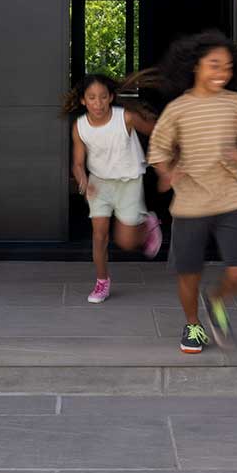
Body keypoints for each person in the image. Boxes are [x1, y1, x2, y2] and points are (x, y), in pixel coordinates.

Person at [144, 31, 237, 353]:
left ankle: (217, 299)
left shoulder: (235, 104)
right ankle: (193, 325)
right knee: (189, 272)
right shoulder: (179, 109)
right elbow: (157, 150)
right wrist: (167, 172)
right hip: (191, 203)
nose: (222, 73)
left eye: (227, 68)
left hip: (231, 199)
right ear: (196, 66)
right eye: (214, 65)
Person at [65, 73, 162, 303]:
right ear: (83, 101)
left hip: (128, 182)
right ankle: (102, 282)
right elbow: (78, 162)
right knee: (99, 236)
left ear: (111, 98)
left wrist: (163, 158)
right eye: (91, 98)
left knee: (127, 242)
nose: (97, 103)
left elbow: (157, 130)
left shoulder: (125, 118)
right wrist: (83, 180)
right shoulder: (80, 127)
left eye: (102, 97)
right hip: (99, 183)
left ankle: (148, 223)